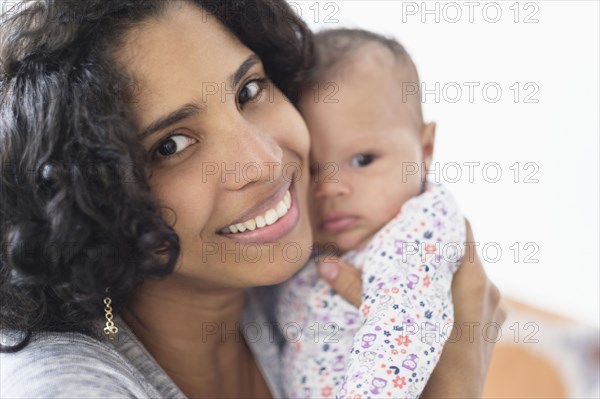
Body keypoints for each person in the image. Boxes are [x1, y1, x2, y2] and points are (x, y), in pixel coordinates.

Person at [0, 1, 505, 398]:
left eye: (248, 90)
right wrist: (456, 378)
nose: (264, 162)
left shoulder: (278, 276)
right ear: (88, 201)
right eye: (171, 145)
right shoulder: (66, 387)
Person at [277, 29, 466, 398]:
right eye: (311, 169)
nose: (329, 188)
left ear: (425, 150)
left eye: (362, 160)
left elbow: (400, 327)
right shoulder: (316, 239)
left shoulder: (418, 229)